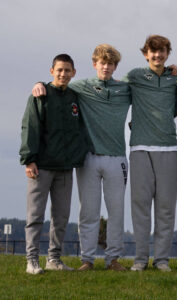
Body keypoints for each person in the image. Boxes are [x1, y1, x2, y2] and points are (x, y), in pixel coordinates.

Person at [31, 45, 131, 271]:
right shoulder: (80, 87)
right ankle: (87, 259)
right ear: (95, 64)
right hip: (88, 158)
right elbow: (57, 84)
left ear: (115, 66)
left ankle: (113, 259)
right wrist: (39, 84)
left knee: (116, 211)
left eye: (110, 63)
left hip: (117, 159)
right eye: (102, 63)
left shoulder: (126, 89)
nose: (106, 67)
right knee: (88, 211)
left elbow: (148, 98)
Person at [20, 54, 88, 274]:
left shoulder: (75, 97)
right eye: (59, 70)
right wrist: (29, 159)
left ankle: (54, 259)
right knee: (35, 216)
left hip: (66, 168)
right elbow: (30, 128)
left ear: (74, 73)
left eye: (67, 70)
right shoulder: (40, 95)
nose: (63, 74)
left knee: (61, 216)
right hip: (41, 167)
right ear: (52, 71)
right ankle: (32, 260)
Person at [126, 35, 177, 272]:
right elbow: (116, 94)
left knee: (166, 207)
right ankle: (140, 259)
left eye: (162, 52)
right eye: (153, 52)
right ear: (145, 54)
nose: (158, 56)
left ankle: (162, 259)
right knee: (140, 205)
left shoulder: (176, 78)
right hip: (140, 147)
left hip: (168, 148)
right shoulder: (134, 76)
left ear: (167, 53)